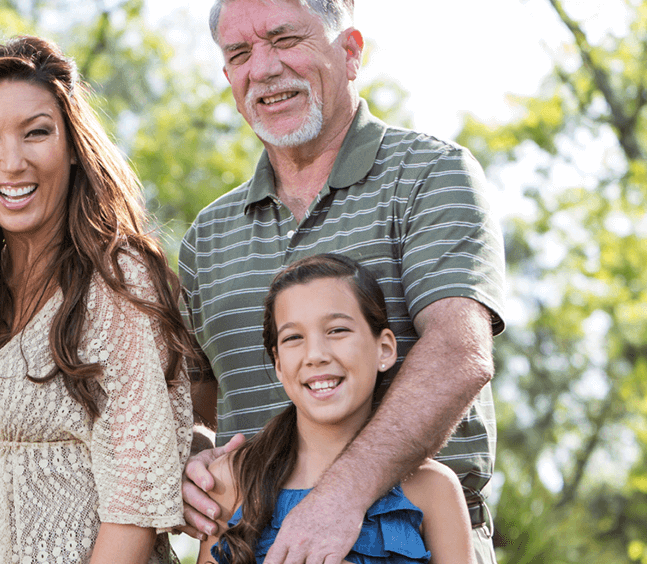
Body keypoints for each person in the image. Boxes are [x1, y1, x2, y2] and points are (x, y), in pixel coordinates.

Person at [179, 2, 505, 564]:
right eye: (239, 54)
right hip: (254, 543)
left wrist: (339, 498)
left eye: (284, 40)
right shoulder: (207, 235)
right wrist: (195, 462)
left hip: (416, 538)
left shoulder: (430, 174)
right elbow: (192, 405)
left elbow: (459, 353)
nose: (262, 69)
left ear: (350, 52)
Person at [0, 35, 198, 563]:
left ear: (72, 148)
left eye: (36, 133)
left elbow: (134, 502)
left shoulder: (117, 278)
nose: (11, 161)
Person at [197, 254, 472, 564]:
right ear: (278, 364)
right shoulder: (230, 479)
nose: (315, 354)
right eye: (294, 337)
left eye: (337, 330)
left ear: (384, 349)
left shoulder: (434, 488)